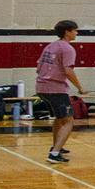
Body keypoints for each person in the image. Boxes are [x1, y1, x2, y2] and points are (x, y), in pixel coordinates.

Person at [36, 21, 84, 164]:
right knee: (69, 121)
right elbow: (68, 71)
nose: (76, 33)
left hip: (41, 88)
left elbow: (38, 67)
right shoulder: (68, 49)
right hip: (56, 89)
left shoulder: (50, 46)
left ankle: (57, 146)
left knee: (59, 118)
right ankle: (54, 154)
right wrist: (80, 87)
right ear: (67, 32)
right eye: (75, 31)